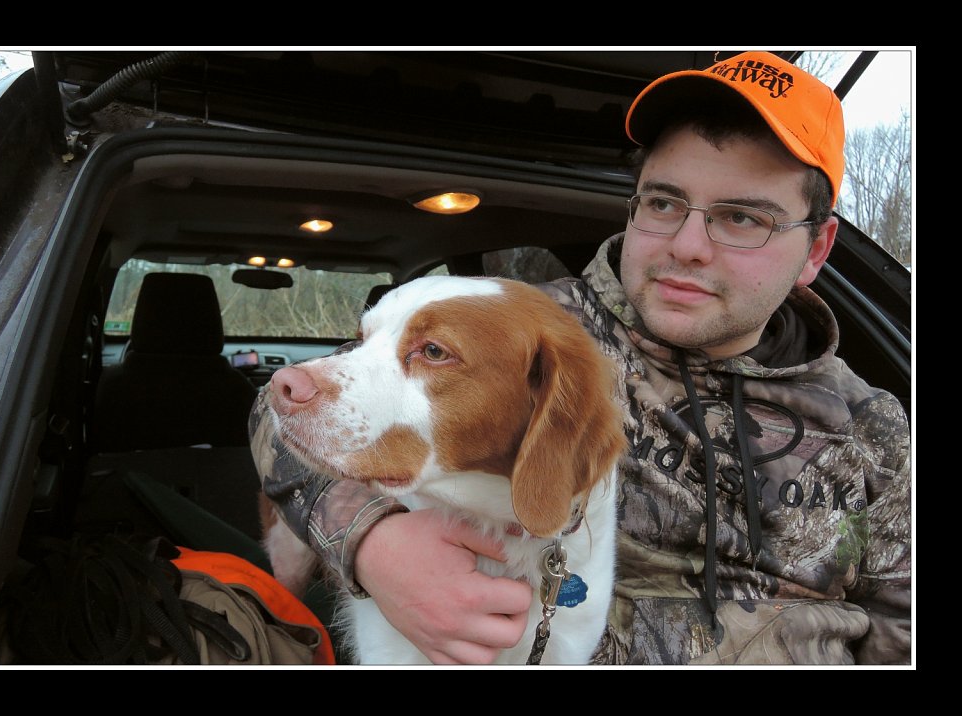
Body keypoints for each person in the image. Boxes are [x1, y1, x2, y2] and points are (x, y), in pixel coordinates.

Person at [249, 51, 912, 665]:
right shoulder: (520, 329)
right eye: (663, 201)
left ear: (818, 249)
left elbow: (900, 629)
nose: (687, 245)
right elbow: (280, 411)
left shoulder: (874, 425)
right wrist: (371, 541)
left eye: (742, 218)